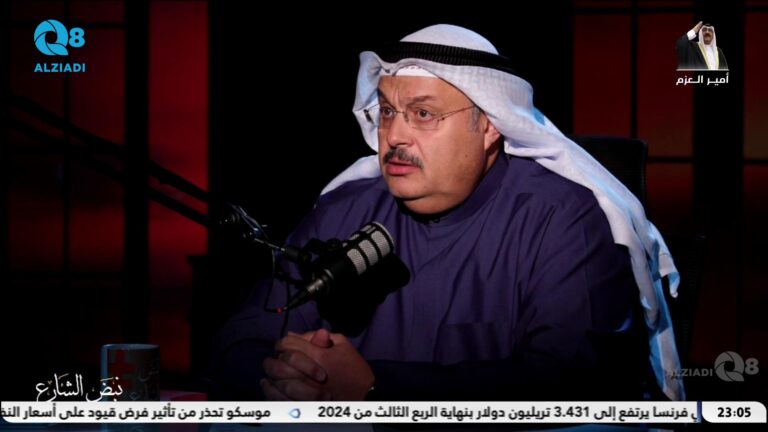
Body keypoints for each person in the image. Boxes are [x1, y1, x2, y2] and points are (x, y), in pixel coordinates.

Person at [209, 24, 683, 402]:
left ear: (489, 125)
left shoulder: (562, 219)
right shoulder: (344, 210)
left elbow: (573, 379)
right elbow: (244, 337)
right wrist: (287, 381)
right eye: (388, 111)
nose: (394, 136)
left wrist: (376, 390)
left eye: (423, 114)